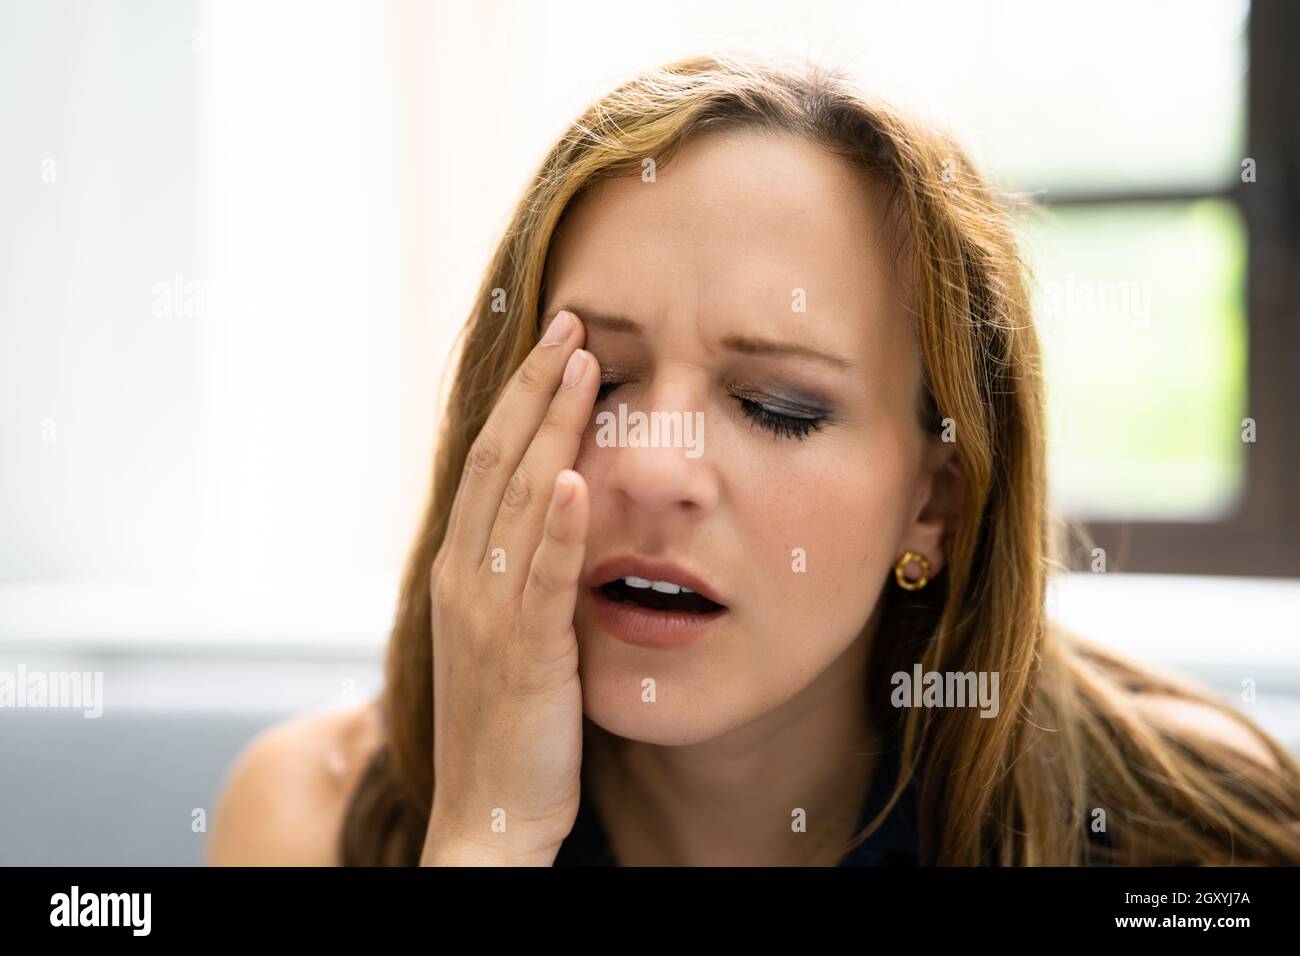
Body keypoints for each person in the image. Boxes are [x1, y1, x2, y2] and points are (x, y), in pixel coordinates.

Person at [206, 51, 1300, 867]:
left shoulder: (1192, 839)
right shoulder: (310, 817)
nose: (651, 466)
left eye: (777, 406)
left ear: (937, 505)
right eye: (599, 376)